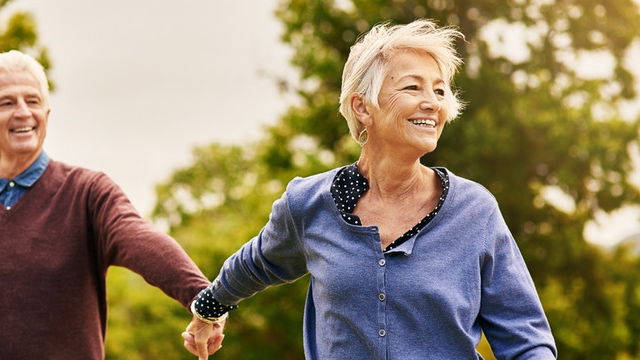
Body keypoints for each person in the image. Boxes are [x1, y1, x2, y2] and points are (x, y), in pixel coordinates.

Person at [183, 20, 557, 359]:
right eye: (413, 86)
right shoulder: (309, 205)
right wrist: (207, 311)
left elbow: (525, 337)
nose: (432, 102)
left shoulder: (475, 211)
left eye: (440, 91)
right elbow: (257, 263)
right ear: (363, 107)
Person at [0, 50, 224, 359]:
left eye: (33, 101)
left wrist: (205, 299)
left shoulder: (89, 193)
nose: (23, 112)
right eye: (6, 102)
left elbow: (141, 241)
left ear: (46, 114)